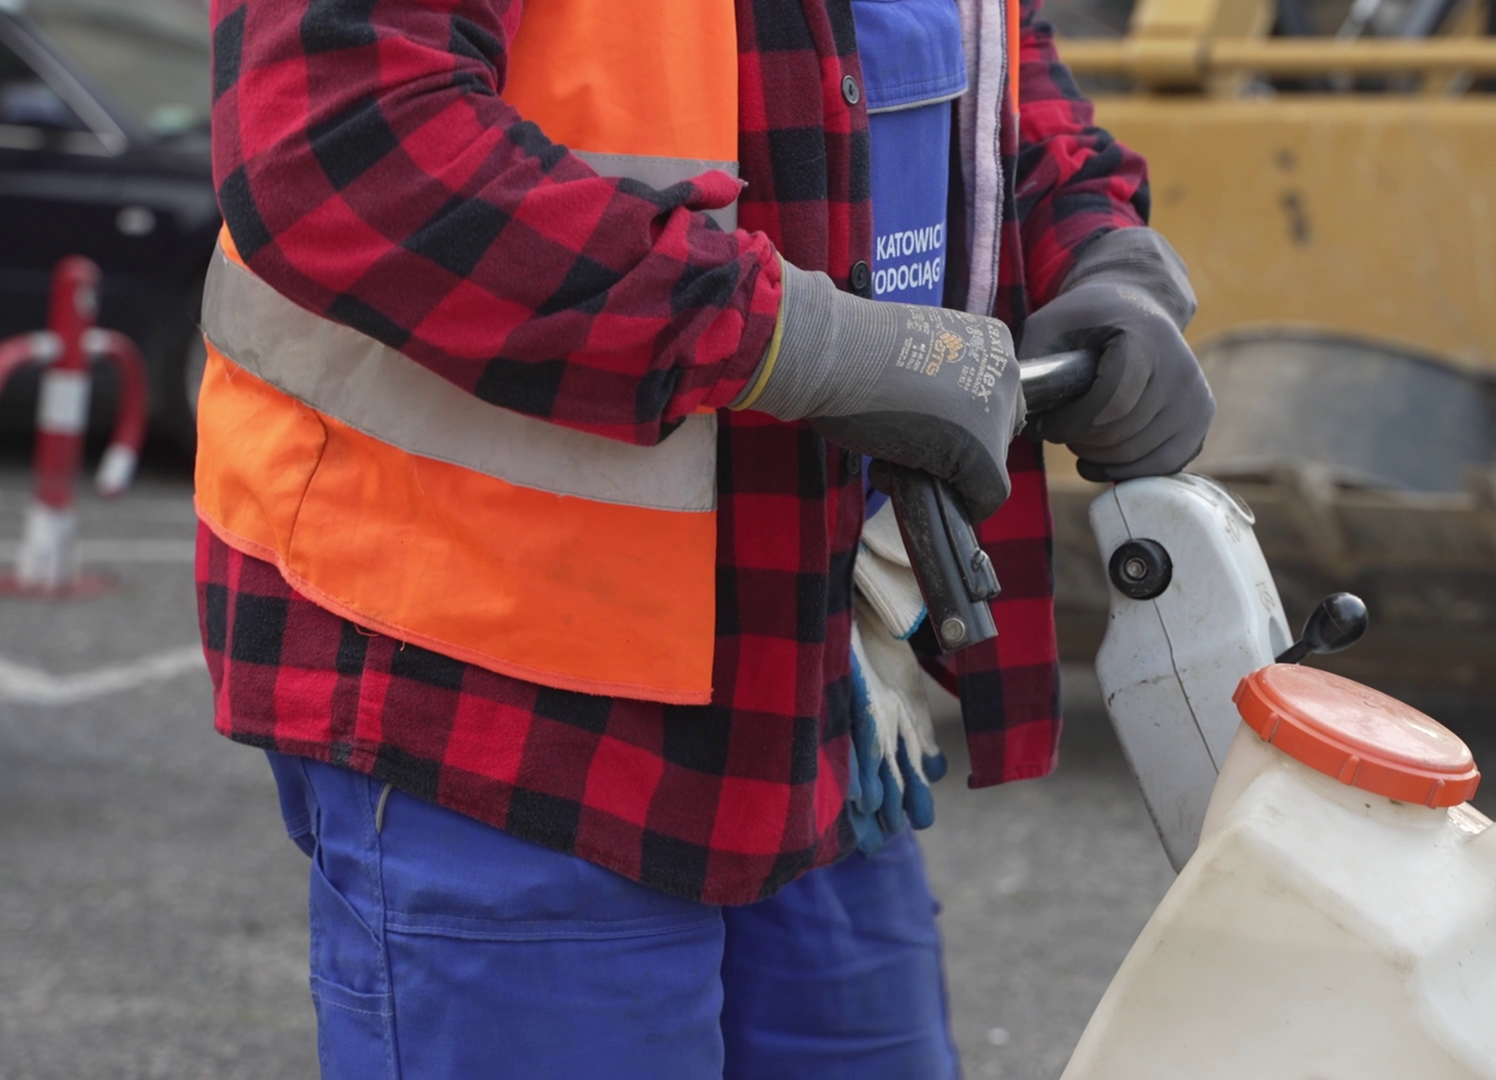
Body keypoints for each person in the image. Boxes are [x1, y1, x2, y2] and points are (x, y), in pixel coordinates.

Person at [194, 0, 1212, 1075]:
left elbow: (985, 62)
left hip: (810, 672)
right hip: (495, 678)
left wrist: (1102, 255)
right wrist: (800, 347)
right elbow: (348, 140)